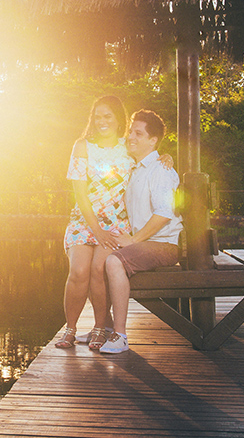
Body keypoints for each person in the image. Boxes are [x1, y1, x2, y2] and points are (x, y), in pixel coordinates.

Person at [56, 98, 173, 351]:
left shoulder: (127, 147)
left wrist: (166, 156)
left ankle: (101, 327)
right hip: (84, 221)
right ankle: (70, 328)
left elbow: (148, 156)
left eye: (108, 116)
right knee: (78, 271)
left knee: (99, 268)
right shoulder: (82, 146)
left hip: (116, 224)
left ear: (119, 119)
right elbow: (80, 193)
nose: (102, 122)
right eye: (98, 116)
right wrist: (95, 230)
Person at [96, 109, 183, 354]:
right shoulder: (136, 168)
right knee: (97, 259)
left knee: (114, 262)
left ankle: (120, 336)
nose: (130, 137)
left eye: (138, 133)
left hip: (165, 244)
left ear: (152, 140)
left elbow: (164, 213)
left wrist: (132, 240)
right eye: (130, 131)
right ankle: (103, 327)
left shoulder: (161, 170)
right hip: (144, 244)